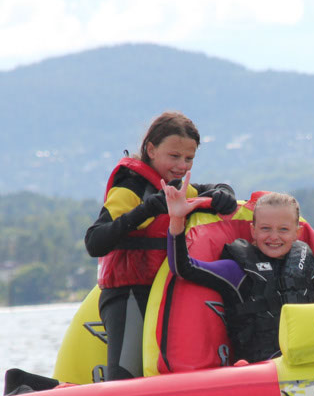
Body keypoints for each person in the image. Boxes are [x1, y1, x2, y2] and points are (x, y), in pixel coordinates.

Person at [84, 111, 237, 380]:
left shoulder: (176, 188)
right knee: (126, 380)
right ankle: (29, 386)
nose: (182, 165)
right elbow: (94, 242)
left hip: (167, 297)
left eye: (189, 158)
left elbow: (208, 188)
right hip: (128, 297)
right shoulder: (129, 188)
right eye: (174, 156)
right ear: (151, 150)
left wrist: (224, 192)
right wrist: (145, 210)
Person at [164, 182, 314, 364]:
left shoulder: (306, 268)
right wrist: (177, 219)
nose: (274, 236)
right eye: (265, 228)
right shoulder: (236, 271)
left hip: (310, 363)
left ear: (297, 233)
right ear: (253, 231)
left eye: (283, 229)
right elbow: (184, 267)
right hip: (260, 370)